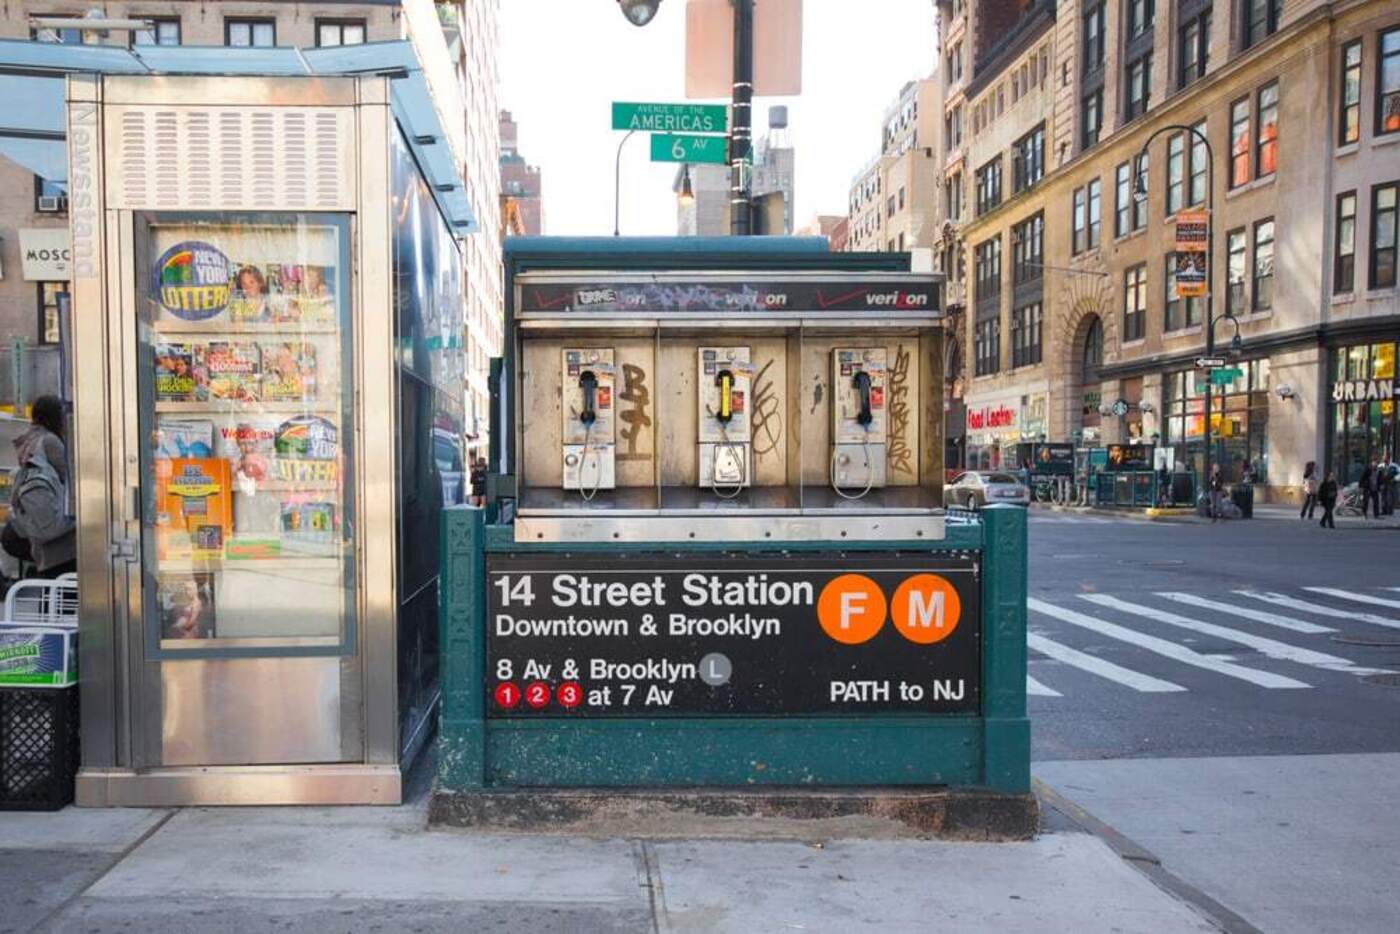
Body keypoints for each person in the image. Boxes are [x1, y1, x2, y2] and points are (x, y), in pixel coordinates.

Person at [2, 395, 76, 577]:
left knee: (51, 587)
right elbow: (71, 477)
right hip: (55, 537)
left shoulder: (30, 438)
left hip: (36, 526)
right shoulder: (50, 441)